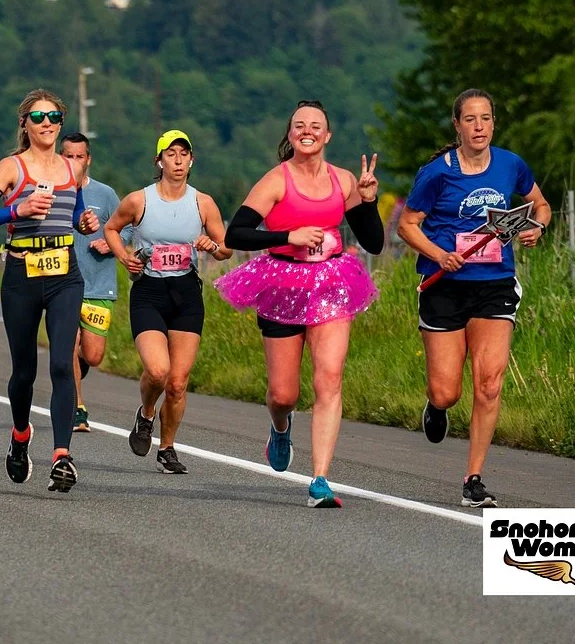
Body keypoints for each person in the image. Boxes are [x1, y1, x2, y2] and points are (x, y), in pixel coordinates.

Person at [215, 101, 383, 507]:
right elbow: (236, 234)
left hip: (331, 282)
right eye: (299, 125)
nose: (307, 131)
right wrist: (286, 236)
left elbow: (374, 242)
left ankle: (320, 479)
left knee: (329, 378)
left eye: (316, 126)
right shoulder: (276, 180)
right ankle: (280, 425)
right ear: (290, 134)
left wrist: (368, 201)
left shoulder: (343, 181)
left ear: (327, 136)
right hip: (282, 283)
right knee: (283, 394)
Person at [397, 89, 551, 507]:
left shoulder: (509, 164)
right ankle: (436, 407)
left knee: (489, 383)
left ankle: (473, 479)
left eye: (485, 119)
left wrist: (536, 226)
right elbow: (408, 225)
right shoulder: (436, 173)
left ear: (493, 123)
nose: (479, 126)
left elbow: (540, 203)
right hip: (445, 285)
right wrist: (439, 255)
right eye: (470, 119)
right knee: (447, 391)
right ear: (458, 125)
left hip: (494, 284)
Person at [0, 89, 100, 492]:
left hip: (64, 274)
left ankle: (62, 456)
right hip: (22, 274)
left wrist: (85, 222)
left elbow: (74, 215)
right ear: (24, 123)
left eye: (54, 116)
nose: (47, 123)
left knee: (63, 363)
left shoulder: (69, 169)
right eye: (38, 116)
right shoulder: (11, 167)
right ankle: (21, 436)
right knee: (23, 372)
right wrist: (16, 210)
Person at [103, 130, 232, 474]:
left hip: (186, 294)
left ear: (191, 161)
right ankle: (146, 414)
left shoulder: (202, 203)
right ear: (158, 161)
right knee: (158, 372)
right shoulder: (139, 200)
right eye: (170, 154)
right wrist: (124, 257)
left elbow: (225, 248)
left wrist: (211, 248)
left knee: (177, 382)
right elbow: (111, 229)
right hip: (149, 293)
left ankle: (167, 448)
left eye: (183, 154)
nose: (177, 161)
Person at [59, 132, 129, 433]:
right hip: (62, 283)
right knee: (68, 342)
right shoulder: (54, 192)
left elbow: (127, 230)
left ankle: (79, 362)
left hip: (99, 285)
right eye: (68, 156)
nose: (74, 161)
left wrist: (110, 243)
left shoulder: (106, 194)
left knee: (94, 355)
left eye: (79, 156)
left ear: (88, 159)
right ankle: (78, 408)